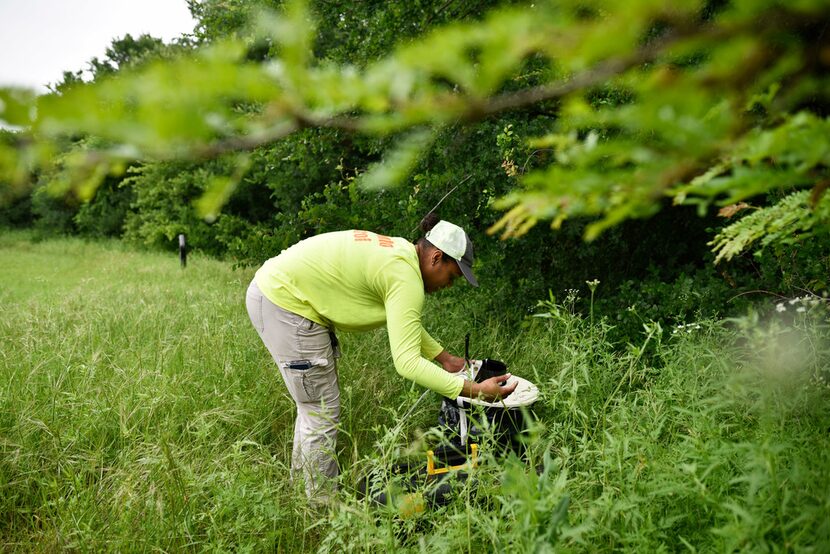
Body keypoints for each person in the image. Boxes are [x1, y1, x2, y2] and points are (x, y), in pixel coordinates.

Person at [245, 214, 516, 500]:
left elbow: (403, 320)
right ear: (437, 258)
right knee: (320, 410)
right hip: (285, 303)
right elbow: (407, 363)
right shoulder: (405, 277)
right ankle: (321, 507)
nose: (449, 285)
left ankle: (303, 493)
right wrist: (475, 390)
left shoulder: (401, 256)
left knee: (314, 408)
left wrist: (445, 358)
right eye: (452, 276)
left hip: (276, 293)